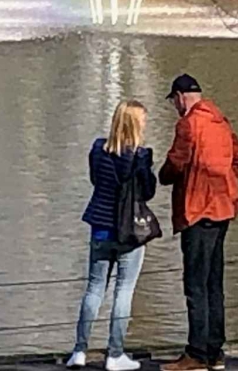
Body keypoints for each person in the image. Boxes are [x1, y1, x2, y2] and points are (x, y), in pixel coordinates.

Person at [159, 75, 238, 371]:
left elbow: (177, 162)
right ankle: (215, 351)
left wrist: (164, 176)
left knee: (195, 283)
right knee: (214, 282)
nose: (174, 106)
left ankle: (196, 353)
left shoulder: (189, 124)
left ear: (182, 97)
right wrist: (224, 182)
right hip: (223, 209)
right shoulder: (220, 120)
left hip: (197, 209)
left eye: (173, 101)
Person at [66, 100, 157, 371]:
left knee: (94, 289)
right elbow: (148, 191)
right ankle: (115, 354)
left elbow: (96, 180)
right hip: (130, 231)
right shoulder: (140, 156)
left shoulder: (98, 149)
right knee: (123, 290)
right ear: (136, 125)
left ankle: (79, 351)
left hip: (101, 226)